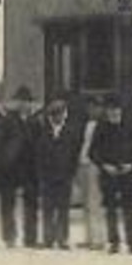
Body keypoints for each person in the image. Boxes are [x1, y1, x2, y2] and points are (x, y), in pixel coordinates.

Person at [89, 96, 132, 255]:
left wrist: (131, 164)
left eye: (116, 110)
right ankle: (114, 242)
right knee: (110, 209)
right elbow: (93, 152)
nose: (113, 113)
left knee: (129, 209)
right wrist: (104, 165)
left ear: (121, 111)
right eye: (110, 110)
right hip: (109, 173)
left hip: (127, 173)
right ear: (107, 112)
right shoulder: (101, 128)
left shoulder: (130, 127)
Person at [0, 86, 40, 248]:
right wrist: (2, 160)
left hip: (29, 166)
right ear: (16, 103)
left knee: (31, 202)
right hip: (10, 167)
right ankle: (9, 236)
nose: (24, 105)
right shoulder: (8, 121)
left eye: (27, 102)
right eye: (21, 101)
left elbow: (39, 144)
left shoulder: (35, 122)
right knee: (7, 202)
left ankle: (30, 237)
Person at [32, 97, 82, 249]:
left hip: (64, 176)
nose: (57, 117)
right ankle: (48, 238)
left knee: (63, 209)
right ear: (50, 116)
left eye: (60, 114)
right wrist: (41, 175)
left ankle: (62, 238)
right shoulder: (43, 133)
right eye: (54, 115)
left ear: (64, 115)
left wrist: (71, 174)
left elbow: (74, 155)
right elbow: (38, 156)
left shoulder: (71, 133)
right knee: (48, 208)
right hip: (48, 177)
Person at [74, 96, 103, 249]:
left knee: (94, 202)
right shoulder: (84, 125)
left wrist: (98, 162)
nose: (92, 110)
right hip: (82, 164)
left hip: (93, 165)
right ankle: (88, 237)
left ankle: (98, 239)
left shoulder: (103, 126)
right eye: (90, 107)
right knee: (85, 203)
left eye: (95, 107)